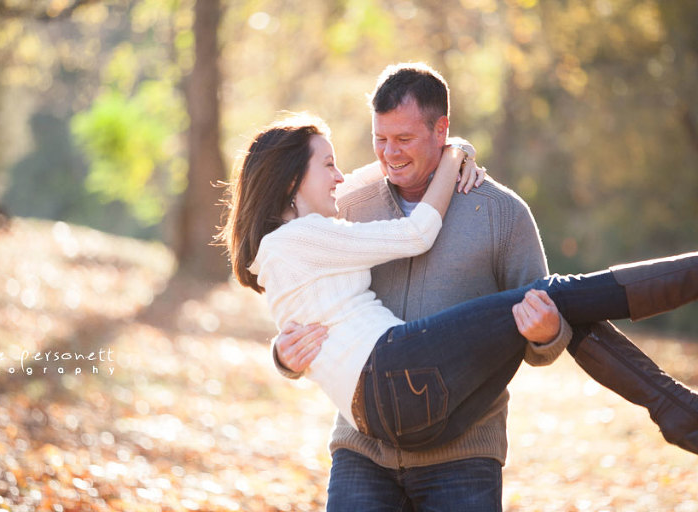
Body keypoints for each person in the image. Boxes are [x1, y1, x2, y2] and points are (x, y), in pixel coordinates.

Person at [239, 64, 698, 510]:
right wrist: (284, 356)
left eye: (404, 139)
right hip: (365, 449)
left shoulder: (500, 213)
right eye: (379, 139)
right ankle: (676, 404)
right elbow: (305, 300)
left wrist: (546, 335)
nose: (388, 154)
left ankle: (677, 407)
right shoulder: (345, 208)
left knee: (554, 298)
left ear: (440, 130)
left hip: (461, 453)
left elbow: (552, 334)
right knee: (562, 292)